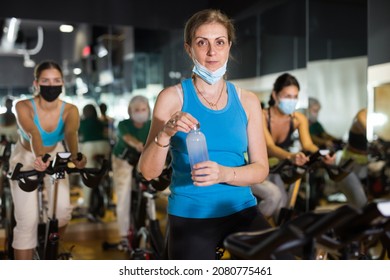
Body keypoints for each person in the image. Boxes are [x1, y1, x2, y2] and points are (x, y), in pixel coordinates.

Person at [138, 9, 271, 260]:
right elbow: (148, 172)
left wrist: (223, 173)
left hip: (241, 209)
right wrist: (165, 133)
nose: (212, 52)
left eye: (219, 42)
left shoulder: (248, 101)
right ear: (189, 49)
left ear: (229, 46)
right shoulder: (172, 98)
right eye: (202, 43)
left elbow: (261, 168)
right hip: (191, 213)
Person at [9, 60, 87, 260]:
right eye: (46, 80)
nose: (51, 85)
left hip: (56, 154)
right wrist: (39, 157)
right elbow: (33, 133)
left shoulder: (70, 109)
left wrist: (76, 155)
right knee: (28, 222)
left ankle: (51, 250)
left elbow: (71, 133)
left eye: (56, 80)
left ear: (62, 83)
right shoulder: (23, 106)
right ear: (36, 84)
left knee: (62, 213)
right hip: (26, 156)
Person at [250, 73, 336, 222]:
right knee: (274, 197)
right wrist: (291, 156)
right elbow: (270, 147)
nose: (292, 101)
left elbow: (308, 144)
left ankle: (269, 238)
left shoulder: (298, 119)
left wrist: (322, 154)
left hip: (275, 169)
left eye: (295, 97)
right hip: (254, 168)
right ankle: (248, 232)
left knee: (283, 208)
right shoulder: (262, 115)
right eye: (287, 96)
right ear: (275, 95)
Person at [111, 95, 151, 251]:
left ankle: (148, 227)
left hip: (143, 159)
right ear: (129, 111)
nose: (140, 112)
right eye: (136, 110)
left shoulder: (151, 125)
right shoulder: (123, 124)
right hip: (123, 159)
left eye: (143, 109)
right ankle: (123, 235)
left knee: (149, 190)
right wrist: (138, 144)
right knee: (123, 194)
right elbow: (126, 137)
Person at [78, 103, 111, 222]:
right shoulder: (100, 122)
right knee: (103, 173)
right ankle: (108, 196)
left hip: (90, 147)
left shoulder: (82, 123)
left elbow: (79, 136)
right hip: (104, 146)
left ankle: (86, 205)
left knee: (88, 176)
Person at [335, 108, 368, 205]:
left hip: (364, 166)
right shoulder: (362, 115)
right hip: (349, 165)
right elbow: (367, 129)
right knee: (360, 202)